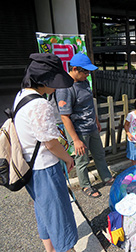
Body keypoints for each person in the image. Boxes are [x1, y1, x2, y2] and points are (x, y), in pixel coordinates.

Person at [14, 53, 78, 252]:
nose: (56, 87)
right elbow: (50, 143)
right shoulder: (39, 104)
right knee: (60, 216)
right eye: (54, 81)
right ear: (43, 80)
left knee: (44, 211)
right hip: (45, 168)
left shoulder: (21, 96)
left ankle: (50, 249)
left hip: (30, 167)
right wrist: (68, 158)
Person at [56, 53, 114, 198]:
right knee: (82, 160)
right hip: (78, 130)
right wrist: (75, 139)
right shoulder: (66, 88)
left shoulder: (85, 82)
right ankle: (85, 186)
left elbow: (89, 104)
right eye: (85, 71)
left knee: (99, 154)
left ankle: (106, 177)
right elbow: (65, 116)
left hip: (91, 126)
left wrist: (96, 120)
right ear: (74, 69)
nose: (88, 74)